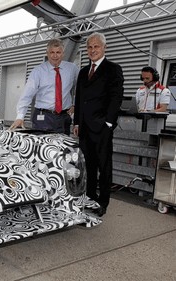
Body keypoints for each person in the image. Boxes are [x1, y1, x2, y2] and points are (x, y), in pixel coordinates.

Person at [73, 32, 124, 217]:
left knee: (104, 166)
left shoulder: (113, 69)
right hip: (85, 128)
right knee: (88, 166)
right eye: (89, 47)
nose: (93, 50)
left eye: (96, 46)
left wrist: (109, 123)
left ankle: (103, 202)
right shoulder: (82, 72)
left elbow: (116, 97)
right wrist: (76, 121)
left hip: (102, 127)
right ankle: (90, 198)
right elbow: (79, 99)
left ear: (104, 48)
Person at [10, 38, 79, 135]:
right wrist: (20, 117)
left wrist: (75, 105)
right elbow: (26, 95)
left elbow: (82, 88)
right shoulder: (38, 71)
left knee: (62, 148)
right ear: (47, 53)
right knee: (42, 148)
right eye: (52, 52)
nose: (55, 56)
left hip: (64, 118)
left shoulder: (72, 69)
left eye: (58, 52)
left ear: (63, 53)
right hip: (43, 118)